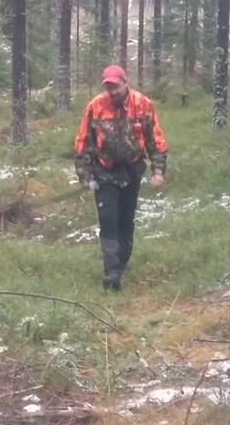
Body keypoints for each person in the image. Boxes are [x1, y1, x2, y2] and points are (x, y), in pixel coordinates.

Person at [74, 64, 168, 292]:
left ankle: (122, 260)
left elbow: (155, 140)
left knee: (126, 219)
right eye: (108, 87)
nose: (113, 91)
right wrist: (84, 173)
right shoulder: (95, 106)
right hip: (104, 171)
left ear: (125, 82)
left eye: (116, 86)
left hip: (132, 169)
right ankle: (112, 273)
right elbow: (83, 141)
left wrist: (158, 170)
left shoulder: (142, 104)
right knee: (108, 218)